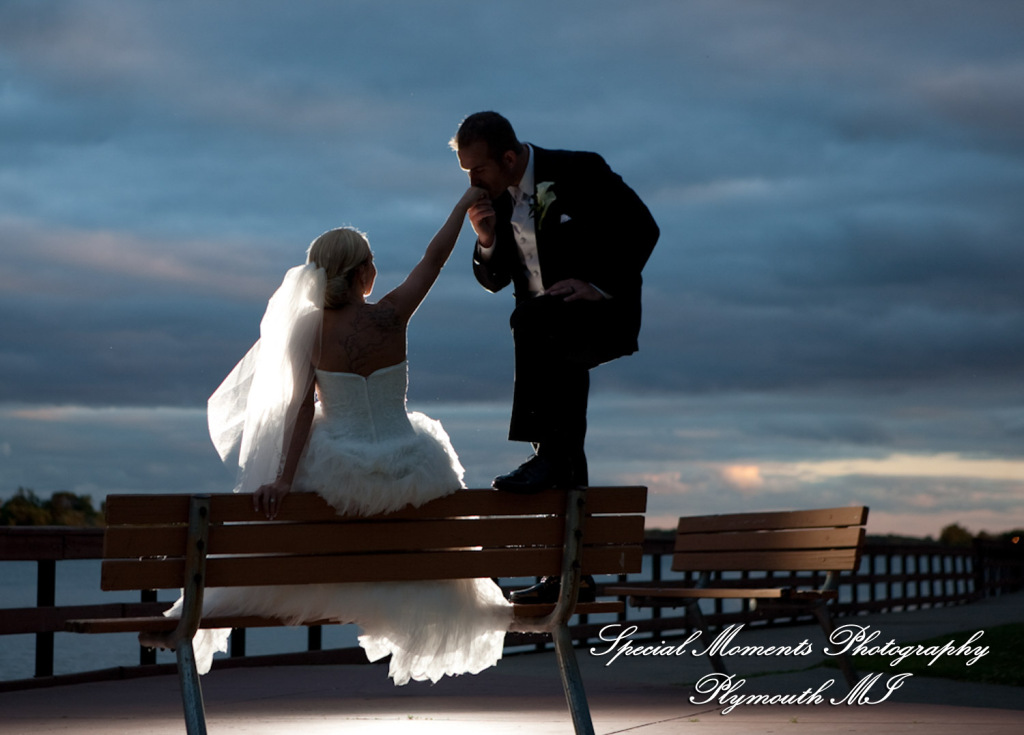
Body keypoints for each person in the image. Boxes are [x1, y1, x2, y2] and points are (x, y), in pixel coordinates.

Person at [153, 186, 513, 685]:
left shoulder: (310, 331)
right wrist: (462, 209)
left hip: (341, 472)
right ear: (365, 273)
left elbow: (301, 410)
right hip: (412, 469)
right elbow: (433, 261)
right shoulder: (391, 316)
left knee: (302, 514)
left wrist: (282, 479)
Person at [451, 111, 659, 604]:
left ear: (508, 157)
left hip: (597, 310)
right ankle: (571, 576)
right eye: (465, 172)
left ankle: (544, 456)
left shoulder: (579, 170)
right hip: (546, 333)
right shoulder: (494, 199)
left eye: (476, 170)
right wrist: (485, 240)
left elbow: (642, 229)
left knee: (528, 322)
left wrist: (598, 284)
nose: (471, 182)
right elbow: (495, 278)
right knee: (567, 432)